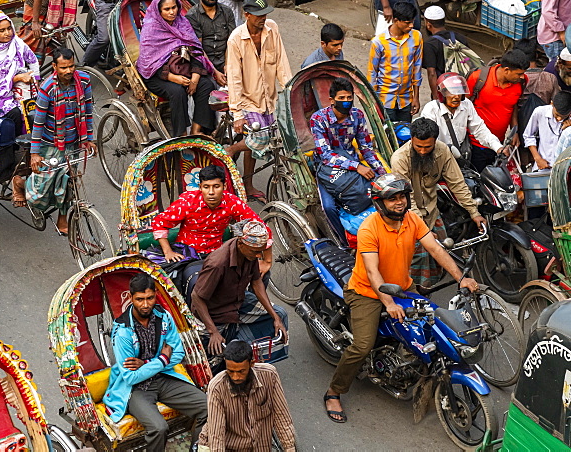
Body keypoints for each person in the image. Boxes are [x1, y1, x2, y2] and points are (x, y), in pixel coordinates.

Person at [323, 173, 479, 424]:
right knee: (362, 346)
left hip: (403, 289)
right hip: (367, 293)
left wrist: (461, 278)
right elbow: (373, 272)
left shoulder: (412, 219)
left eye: (402, 197)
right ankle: (334, 392)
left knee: (435, 323)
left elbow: (436, 249)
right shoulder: (369, 228)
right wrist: (388, 303)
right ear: (379, 202)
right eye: (392, 199)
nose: (399, 203)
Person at [103, 273, 208, 452]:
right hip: (135, 390)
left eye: (150, 298)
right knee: (159, 428)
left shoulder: (164, 317)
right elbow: (130, 377)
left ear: (156, 295)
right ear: (130, 298)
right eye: (140, 299)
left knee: (208, 407)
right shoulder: (122, 332)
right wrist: (162, 359)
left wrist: (146, 363)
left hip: (163, 378)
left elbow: (178, 353)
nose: (145, 304)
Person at [390, 118, 485, 287]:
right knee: (416, 262)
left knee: (440, 255)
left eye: (428, 147)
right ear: (411, 140)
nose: (423, 151)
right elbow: (407, 198)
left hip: (432, 212)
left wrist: (474, 212)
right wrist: (422, 229)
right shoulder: (399, 159)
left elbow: (457, 183)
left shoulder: (442, 151)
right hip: (410, 217)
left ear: (435, 141)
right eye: (418, 146)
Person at [226, 0, 292, 200]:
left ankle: (247, 184)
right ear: (246, 14)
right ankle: (232, 148)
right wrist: (237, 113)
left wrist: (289, 92)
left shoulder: (272, 29)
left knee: (277, 136)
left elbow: (281, 62)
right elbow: (235, 78)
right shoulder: (236, 39)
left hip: (269, 99)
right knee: (261, 138)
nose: (262, 18)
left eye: (265, 14)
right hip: (248, 99)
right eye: (258, 15)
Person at [190, 222, 287, 357]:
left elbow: (256, 282)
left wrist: (275, 317)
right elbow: (197, 297)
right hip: (215, 311)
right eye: (256, 252)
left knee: (280, 314)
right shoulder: (218, 264)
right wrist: (213, 331)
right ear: (241, 244)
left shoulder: (251, 252)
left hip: (237, 301)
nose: (259, 256)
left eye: (261, 251)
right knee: (216, 354)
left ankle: (259, 361)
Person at [139, 0, 225, 137]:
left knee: (207, 85)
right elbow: (150, 62)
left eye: (174, 7)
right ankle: (182, 135)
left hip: (184, 69)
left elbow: (196, 50)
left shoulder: (183, 23)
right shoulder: (151, 29)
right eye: (167, 9)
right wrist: (172, 77)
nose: (172, 12)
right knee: (177, 92)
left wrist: (196, 77)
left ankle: (197, 130)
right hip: (157, 76)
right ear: (159, 11)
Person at [27, 49, 94, 231]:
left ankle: (62, 218)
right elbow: (38, 123)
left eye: (71, 66)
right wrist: (34, 153)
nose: (68, 71)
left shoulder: (84, 81)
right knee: (40, 192)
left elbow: (88, 110)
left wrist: (89, 138)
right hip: (51, 144)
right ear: (55, 67)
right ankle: (20, 183)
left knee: (68, 181)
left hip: (74, 142)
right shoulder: (47, 88)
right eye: (63, 67)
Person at [198, 340, 296, 452]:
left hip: (261, 446)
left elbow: (282, 416)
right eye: (230, 371)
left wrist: (290, 448)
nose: (235, 377)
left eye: (241, 371)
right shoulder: (217, 387)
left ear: (252, 364)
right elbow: (217, 434)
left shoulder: (269, 375)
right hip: (229, 447)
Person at [153, 165, 268, 258]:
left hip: (217, 254)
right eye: (206, 187)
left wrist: (267, 261)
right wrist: (168, 251)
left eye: (216, 186)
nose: (211, 192)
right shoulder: (188, 202)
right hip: (187, 253)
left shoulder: (232, 202)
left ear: (224, 186)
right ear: (200, 187)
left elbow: (259, 225)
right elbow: (159, 223)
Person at [310, 77, 386, 211]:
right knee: (329, 208)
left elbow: (367, 149)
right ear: (332, 100)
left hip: (353, 162)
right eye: (342, 98)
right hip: (329, 168)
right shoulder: (318, 119)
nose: (346, 101)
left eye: (349, 98)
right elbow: (326, 155)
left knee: (378, 193)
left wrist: (383, 174)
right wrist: (356, 166)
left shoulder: (357, 115)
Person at [419, 72, 505, 162]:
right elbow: (428, 139)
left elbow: (479, 129)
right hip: (437, 158)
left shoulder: (466, 104)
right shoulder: (431, 109)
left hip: (459, 157)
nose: (456, 96)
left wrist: (498, 147)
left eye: (459, 91)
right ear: (442, 94)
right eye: (451, 92)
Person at [467, 50, 528, 171]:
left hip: (499, 144)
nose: (522, 76)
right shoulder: (478, 79)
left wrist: (514, 130)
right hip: (476, 143)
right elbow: (463, 105)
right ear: (506, 70)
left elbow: (513, 105)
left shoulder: (521, 82)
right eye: (519, 73)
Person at [367, 1, 423, 122]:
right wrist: (374, 101)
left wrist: (416, 97)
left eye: (413, 21)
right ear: (396, 20)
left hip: (406, 99)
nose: (411, 26)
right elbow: (372, 73)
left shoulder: (417, 37)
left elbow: (417, 68)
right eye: (407, 23)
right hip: (385, 99)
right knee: (388, 136)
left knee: (406, 135)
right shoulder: (378, 42)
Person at [0, 11, 40, 119]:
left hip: (22, 90)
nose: (8, 33)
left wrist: (35, 82)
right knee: (15, 113)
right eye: (2, 30)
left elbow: (33, 61)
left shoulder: (17, 44)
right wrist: (16, 78)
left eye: (9, 28)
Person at [187, 0, 237, 72]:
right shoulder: (192, 16)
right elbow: (198, 48)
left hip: (227, 59)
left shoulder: (227, 12)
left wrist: (227, 65)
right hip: (204, 62)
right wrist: (214, 72)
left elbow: (232, 42)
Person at [422, 5, 470, 90]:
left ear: (428, 24)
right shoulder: (460, 37)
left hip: (444, 89)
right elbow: (468, 61)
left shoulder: (429, 45)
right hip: (462, 84)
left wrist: (436, 97)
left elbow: (432, 73)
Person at [524, 90, 571, 170]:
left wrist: (567, 131)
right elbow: (528, 136)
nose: (559, 118)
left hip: (563, 169)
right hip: (542, 166)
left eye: (563, 116)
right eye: (557, 115)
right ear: (552, 104)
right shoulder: (540, 112)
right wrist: (537, 159)